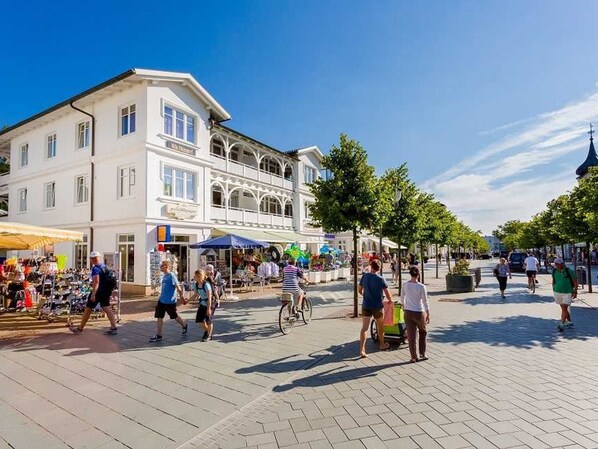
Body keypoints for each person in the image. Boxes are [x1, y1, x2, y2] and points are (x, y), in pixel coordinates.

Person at [70, 251, 118, 335]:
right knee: (107, 308)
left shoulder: (95, 268)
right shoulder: (104, 266)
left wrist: (93, 294)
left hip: (98, 291)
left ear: (92, 259)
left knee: (88, 309)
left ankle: (80, 329)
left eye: (91, 259)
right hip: (106, 291)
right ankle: (114, 328)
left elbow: (96, 282)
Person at [358, 259, 392, 358]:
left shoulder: (365, 276)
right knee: (380, 325)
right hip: (377, 306)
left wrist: (365, 295)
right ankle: (382, 344)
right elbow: (387, 293)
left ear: (370, 266)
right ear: (379, 268)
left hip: (366, 305)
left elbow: (360, 290)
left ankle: (362, 350)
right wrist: (390, 300)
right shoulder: (381, 279)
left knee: (364, 328)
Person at [149, 260, 188, 342]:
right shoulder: (164, 276)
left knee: (174, 316)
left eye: (162, 266)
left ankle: (184, 325)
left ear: (166, 266)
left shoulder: (171, 276)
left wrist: (181, 297)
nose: (160, 267)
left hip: (170, 301)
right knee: (159, 317)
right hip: (161, 300)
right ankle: (159, 336)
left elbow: (178, 287)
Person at [400, 266, 430, 363]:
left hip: (408, 312)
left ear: (410, 274)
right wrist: (428, 313)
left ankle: (413, 357)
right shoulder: (421, 287)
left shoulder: (405, 285)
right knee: (423, 332)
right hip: (419, 312)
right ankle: (423, 353)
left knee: (411, 335)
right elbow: (425, 301)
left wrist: (404, 307)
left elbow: (402, 298)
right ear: (418, 275)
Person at [552, 258, 578, 332]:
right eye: (556, 264)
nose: (557, 266)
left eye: (558, 264)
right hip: (557, 292)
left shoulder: (569, 271)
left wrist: (575, 292)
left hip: (567, 292)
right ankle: (569, 321)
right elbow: (553, 281)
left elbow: (575, 282)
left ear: (562, 264)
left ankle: (562, 324)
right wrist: (553, 289)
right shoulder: (554, 271)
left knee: (564, 307)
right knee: (564, 308)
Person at [193, 269, 214, 342]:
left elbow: (209, 297)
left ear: (199, 276)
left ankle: (209, 335)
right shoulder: (196, 284)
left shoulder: (206, 284)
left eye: (195, 275)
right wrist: (186, 301)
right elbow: (195, 295)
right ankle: (207, 331)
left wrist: (209, 309)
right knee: (199, 320)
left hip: (209, 303)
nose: (194, 277)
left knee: (208, 320)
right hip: (202, 304)